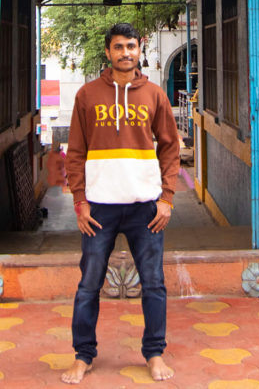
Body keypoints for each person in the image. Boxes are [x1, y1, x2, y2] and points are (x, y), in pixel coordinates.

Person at [61, 23, 180, 384]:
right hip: (99, 208)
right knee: (88, 284)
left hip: (145, 207)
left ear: (139, 49)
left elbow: (171, 148)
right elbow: (76, 152)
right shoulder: (87, 95)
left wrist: (167, 199)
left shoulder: (155, 95)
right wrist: (80, 201)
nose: (126, 52)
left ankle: (154, 354)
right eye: (118, 47)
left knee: (154, 284)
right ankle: (83, 356)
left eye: (131, 46)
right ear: (108, 52)